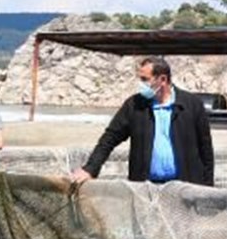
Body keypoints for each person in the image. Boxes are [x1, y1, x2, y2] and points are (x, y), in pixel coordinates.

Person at [71, 57, 214, 186]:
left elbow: (206, 149)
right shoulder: (133, 105)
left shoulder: (192, 104)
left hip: (185, 190)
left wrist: (208, 188)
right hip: (145, 190)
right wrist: (90, 169)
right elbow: (109, 138)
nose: (141, 84)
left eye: (145, 79)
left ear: (163, 80)